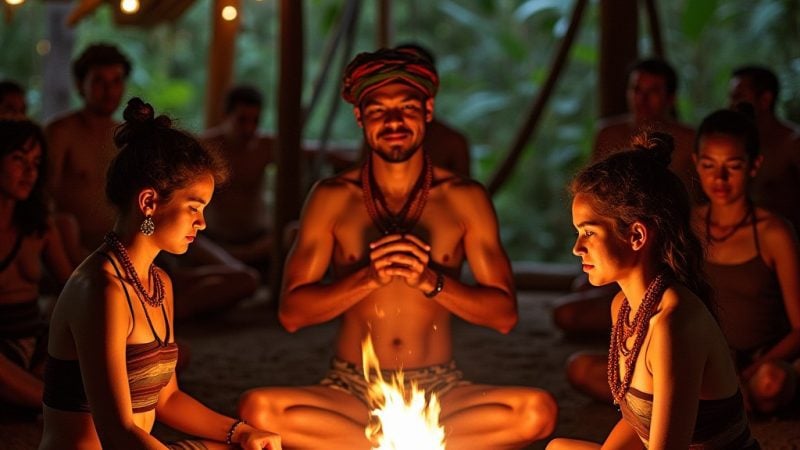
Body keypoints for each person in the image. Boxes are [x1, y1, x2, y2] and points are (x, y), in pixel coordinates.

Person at [238, 48, 556, 449]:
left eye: (406, 107)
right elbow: (292, 314)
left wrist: (431, 280)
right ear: (360, 118)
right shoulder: (332, 197)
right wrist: (369, 276)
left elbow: (505, 316)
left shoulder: (464, 198)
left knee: (535, 412)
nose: (393, 121)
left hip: (440, 386)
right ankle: (417, 442)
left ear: (428, 109)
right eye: (378, 110)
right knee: (260, 410)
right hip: (352, 387)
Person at [38, 98, 282, 450]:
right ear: (149, 202)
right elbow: (117, 433)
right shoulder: (100, 289)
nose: (202, 222)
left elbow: (167, 400)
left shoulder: (158, 284)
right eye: (194, 208)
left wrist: (241, 431)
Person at [547, 133, 759, 450]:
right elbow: (637, 422)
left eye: (589, 232)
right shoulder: (623, 306)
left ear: (636, 235)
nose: (577, 248)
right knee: (558, 449)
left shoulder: (675, 324)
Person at [693, 106, 800, 415]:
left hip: (759, 362)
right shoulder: (687, 227)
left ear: (754, 165)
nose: (720, 178)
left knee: (773, 382)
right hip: (701, 361)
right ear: (696, 165)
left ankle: (719, 404)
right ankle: (722, 403)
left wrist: (750, 372)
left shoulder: (774, 233)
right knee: (583, 369)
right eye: (710, 165)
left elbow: (799, 328)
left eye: (734, 166)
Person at [0, 117, 73, 413]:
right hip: (3, 349)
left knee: (165, 355)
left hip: (40, 341)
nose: (30, 171)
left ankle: (35, 396)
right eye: (19, 159)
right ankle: (60, 409)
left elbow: (72, 290)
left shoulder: (40, 227)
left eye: (37, 162)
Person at [45, 43, 131, 254]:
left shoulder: (127, 136)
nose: (109, 90)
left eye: (116, 81)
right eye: (99, 81)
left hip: (122, 243)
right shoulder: (61, 132)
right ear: (80, 85)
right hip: (71, 246)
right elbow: (42, 199)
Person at [593, 58, 696, 191]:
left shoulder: (688, 140)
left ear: (671, 98)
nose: (642, 98)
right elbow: (595, 187)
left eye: (653, 91)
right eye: (637, 89)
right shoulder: (608, 135)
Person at [201, 85, 274, 268]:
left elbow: (315, 152)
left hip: (259, 242)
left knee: (294, 234)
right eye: (242, 120)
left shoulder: (267, 146)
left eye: (255, 121)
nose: (249, 128)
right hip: (215, 242)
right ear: (225, 116)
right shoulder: (204, 148)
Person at [728, 65, 800, 234]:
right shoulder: (733, 146)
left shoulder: (793, 144)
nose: (731, 104)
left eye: (738, 96)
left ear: (765, 99)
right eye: (731, 97)